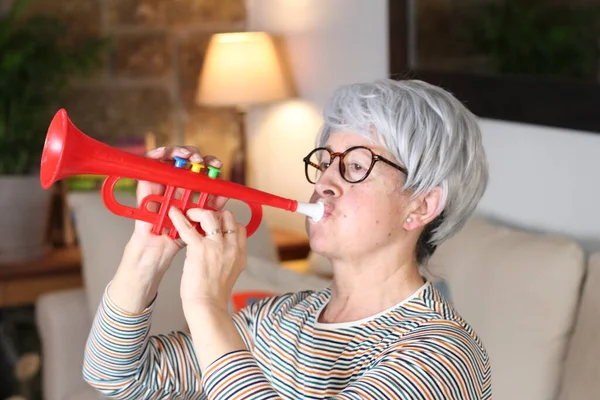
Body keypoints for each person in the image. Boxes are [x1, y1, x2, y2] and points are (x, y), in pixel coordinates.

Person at [83, 78, 491, 399]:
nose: (326, 181)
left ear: (421, 207)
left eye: (356, 166)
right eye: (326, 161)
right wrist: (148, 252)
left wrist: (206, 305)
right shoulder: (278, 320)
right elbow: (114, 377)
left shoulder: (442, 354)